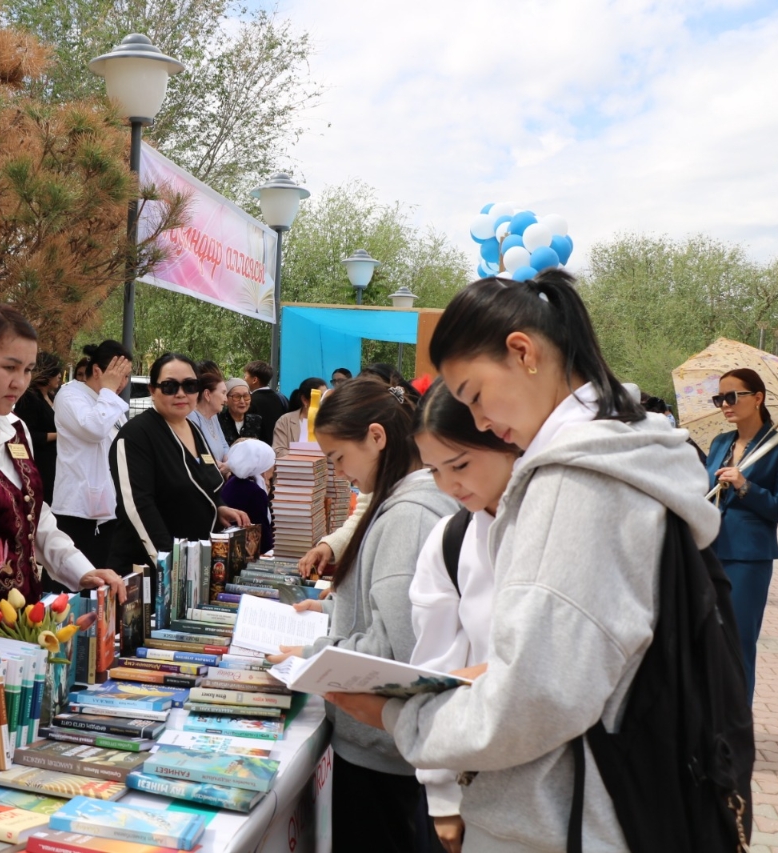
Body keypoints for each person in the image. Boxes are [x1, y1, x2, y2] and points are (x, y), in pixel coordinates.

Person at [326, 271, 720, 851]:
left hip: (564, 820)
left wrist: (396, 718)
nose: (482, 422)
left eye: (474, 395)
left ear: (523, 352)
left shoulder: (576, 483)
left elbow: (533, 698)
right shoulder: (626, 456)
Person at [267, 377, 458, 853]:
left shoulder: (408, 516)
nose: (339, 473)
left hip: (382, 750)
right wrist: (333, 608)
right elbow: (388, 607)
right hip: (382, 742)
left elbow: (394, 650)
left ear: (376, 437)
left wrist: (309, 654)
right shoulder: (400, 503)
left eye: (338, 458)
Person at [0, 305, 125, 653]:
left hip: (22, 625)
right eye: (9, 367)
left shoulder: (15, 428)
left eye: (28, 370)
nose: (19, 382)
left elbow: (33, 515)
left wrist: (81, 570)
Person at [409, 379, 519, 853]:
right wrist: (442, 798)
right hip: (479, 781)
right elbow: (436, 670)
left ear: (507, 439)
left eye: (460, 464)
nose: (449, 485)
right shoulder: (450, 540)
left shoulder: (560, 530)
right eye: (433, 470)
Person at [704, 368, 778, 704]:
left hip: (747, 559)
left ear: (758, 398)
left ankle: (736, 723)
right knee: (704, 641)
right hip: (707, 551)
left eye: (732, 396)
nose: (724, 404)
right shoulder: (720, 443)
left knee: (737, 643)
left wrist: (745, 485)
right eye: (719, 398)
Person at [108, 353, 251, 575]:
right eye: (169, 386)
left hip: (194, 566)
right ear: (152, 390)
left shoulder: (193, 429)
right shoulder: (135, 436)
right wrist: (172, 566)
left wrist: (218, 507)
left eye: (189, 385)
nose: (181, 393)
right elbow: (138, 509)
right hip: (152, 572)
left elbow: (202, 481)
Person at [51, 340, 133, 568]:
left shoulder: (108, 400)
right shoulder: (70, 395)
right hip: (77, 510)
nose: (122, 383)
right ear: (97, 371)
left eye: (126, 376)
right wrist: (108, 392)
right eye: (118, 375)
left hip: (109, 508)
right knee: (74, 579)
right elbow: (94, 429)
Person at [14, 351, 61, 503]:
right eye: (56, 372)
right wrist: (59, 435)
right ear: (47, 374)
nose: (59, 376)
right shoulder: (30, 398)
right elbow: (28, 434)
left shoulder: (52, 396)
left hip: (56, 462)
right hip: (41, 462)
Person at [219, 440, 276, 553]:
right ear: (262, 465)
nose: (273, 467)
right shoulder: (255, 492)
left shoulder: (232, 481)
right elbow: (264, 539)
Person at [187, 364, 231, 470]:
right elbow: (197, 453)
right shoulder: (192, 417)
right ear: (207, 394)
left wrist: (228, 464)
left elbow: (224, 445)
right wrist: (219, 466)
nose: (226, 400)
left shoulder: (214, 416)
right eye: (223, 393)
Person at [272, 376, 328, 458]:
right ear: (305, 400)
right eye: (320, 397)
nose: (324, 402)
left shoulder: (332, 422)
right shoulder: (286, 420)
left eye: (326, 398)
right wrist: (305, 456)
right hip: (293, 466)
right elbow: (278, 451)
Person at [244, 360, 288, 445]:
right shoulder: (281, 399)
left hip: (258, 449)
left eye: (245, 376)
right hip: (280, 447)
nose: (244, 379)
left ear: (254, 380)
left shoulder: (250, 401)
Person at [220, 378, 262, 444]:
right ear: (226, 399)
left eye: (246, 396)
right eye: (237, 397)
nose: (242, 401)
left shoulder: (257, 421)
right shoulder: (218, 422)